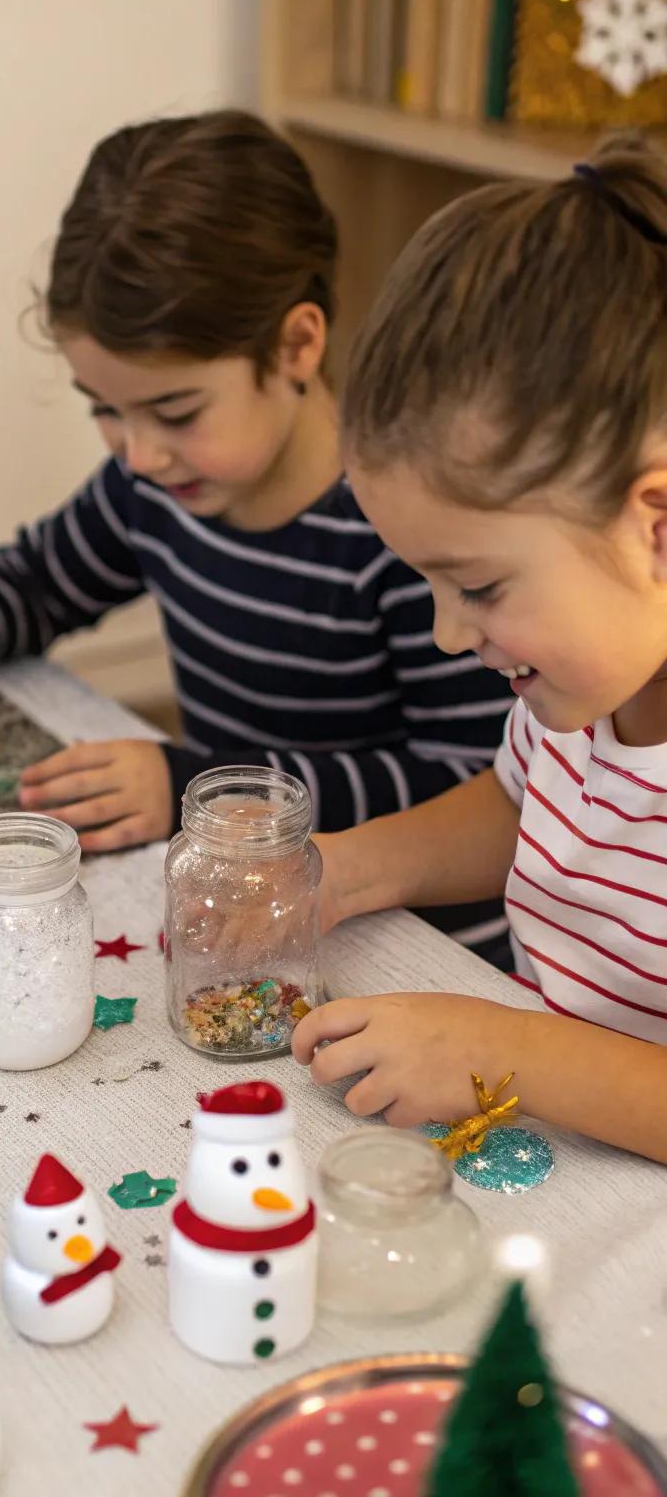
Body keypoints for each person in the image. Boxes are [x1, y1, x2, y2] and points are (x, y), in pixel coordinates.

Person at [0, 110, 509, 949]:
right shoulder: (155, 487)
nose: (141, 453)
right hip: (245, 900)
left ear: (297, 345)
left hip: (412, 937)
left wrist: (203, 791)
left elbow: (468, 783)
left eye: (175, 410)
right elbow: (38, 579)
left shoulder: (406, 536)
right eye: (106, 412)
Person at [293, 135, 667, 1164]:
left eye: (478, 587)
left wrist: (504, 1053)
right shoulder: (591, 686)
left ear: (656, 528)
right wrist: (343, 870)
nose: (444, 632)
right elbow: (521, 805)